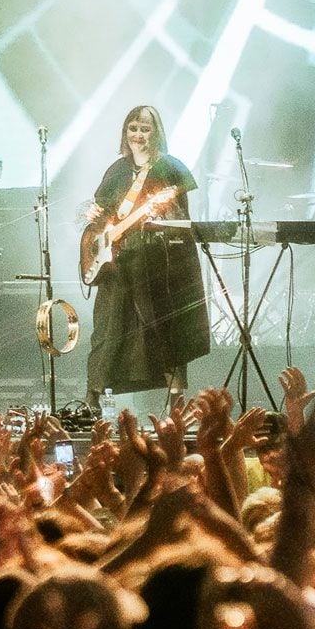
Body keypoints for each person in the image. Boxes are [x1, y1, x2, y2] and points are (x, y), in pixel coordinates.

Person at [83, 106, 209, 409]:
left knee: (163, 330)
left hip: (155, 264)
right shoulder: (117, 170)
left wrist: (161, 217)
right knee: (108, 328)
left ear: (157, 133)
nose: (138, 135)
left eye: (145, 129)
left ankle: (176, 405)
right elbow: (99, 213)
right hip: (116, 264)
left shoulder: (171, 168)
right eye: (133, 128)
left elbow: (181, 219)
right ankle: (92, 400)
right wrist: (92, 217)